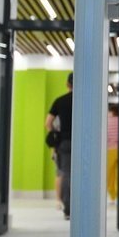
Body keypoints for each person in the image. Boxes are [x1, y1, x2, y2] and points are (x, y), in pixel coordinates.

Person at [45, 72, 73, 220]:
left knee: (66, 174)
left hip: (65, 142)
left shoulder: (60, 101)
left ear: (67, 84)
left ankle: (68, 209)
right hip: (84, 142)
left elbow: (48, 123)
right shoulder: (86, 102)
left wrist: (55, 134)